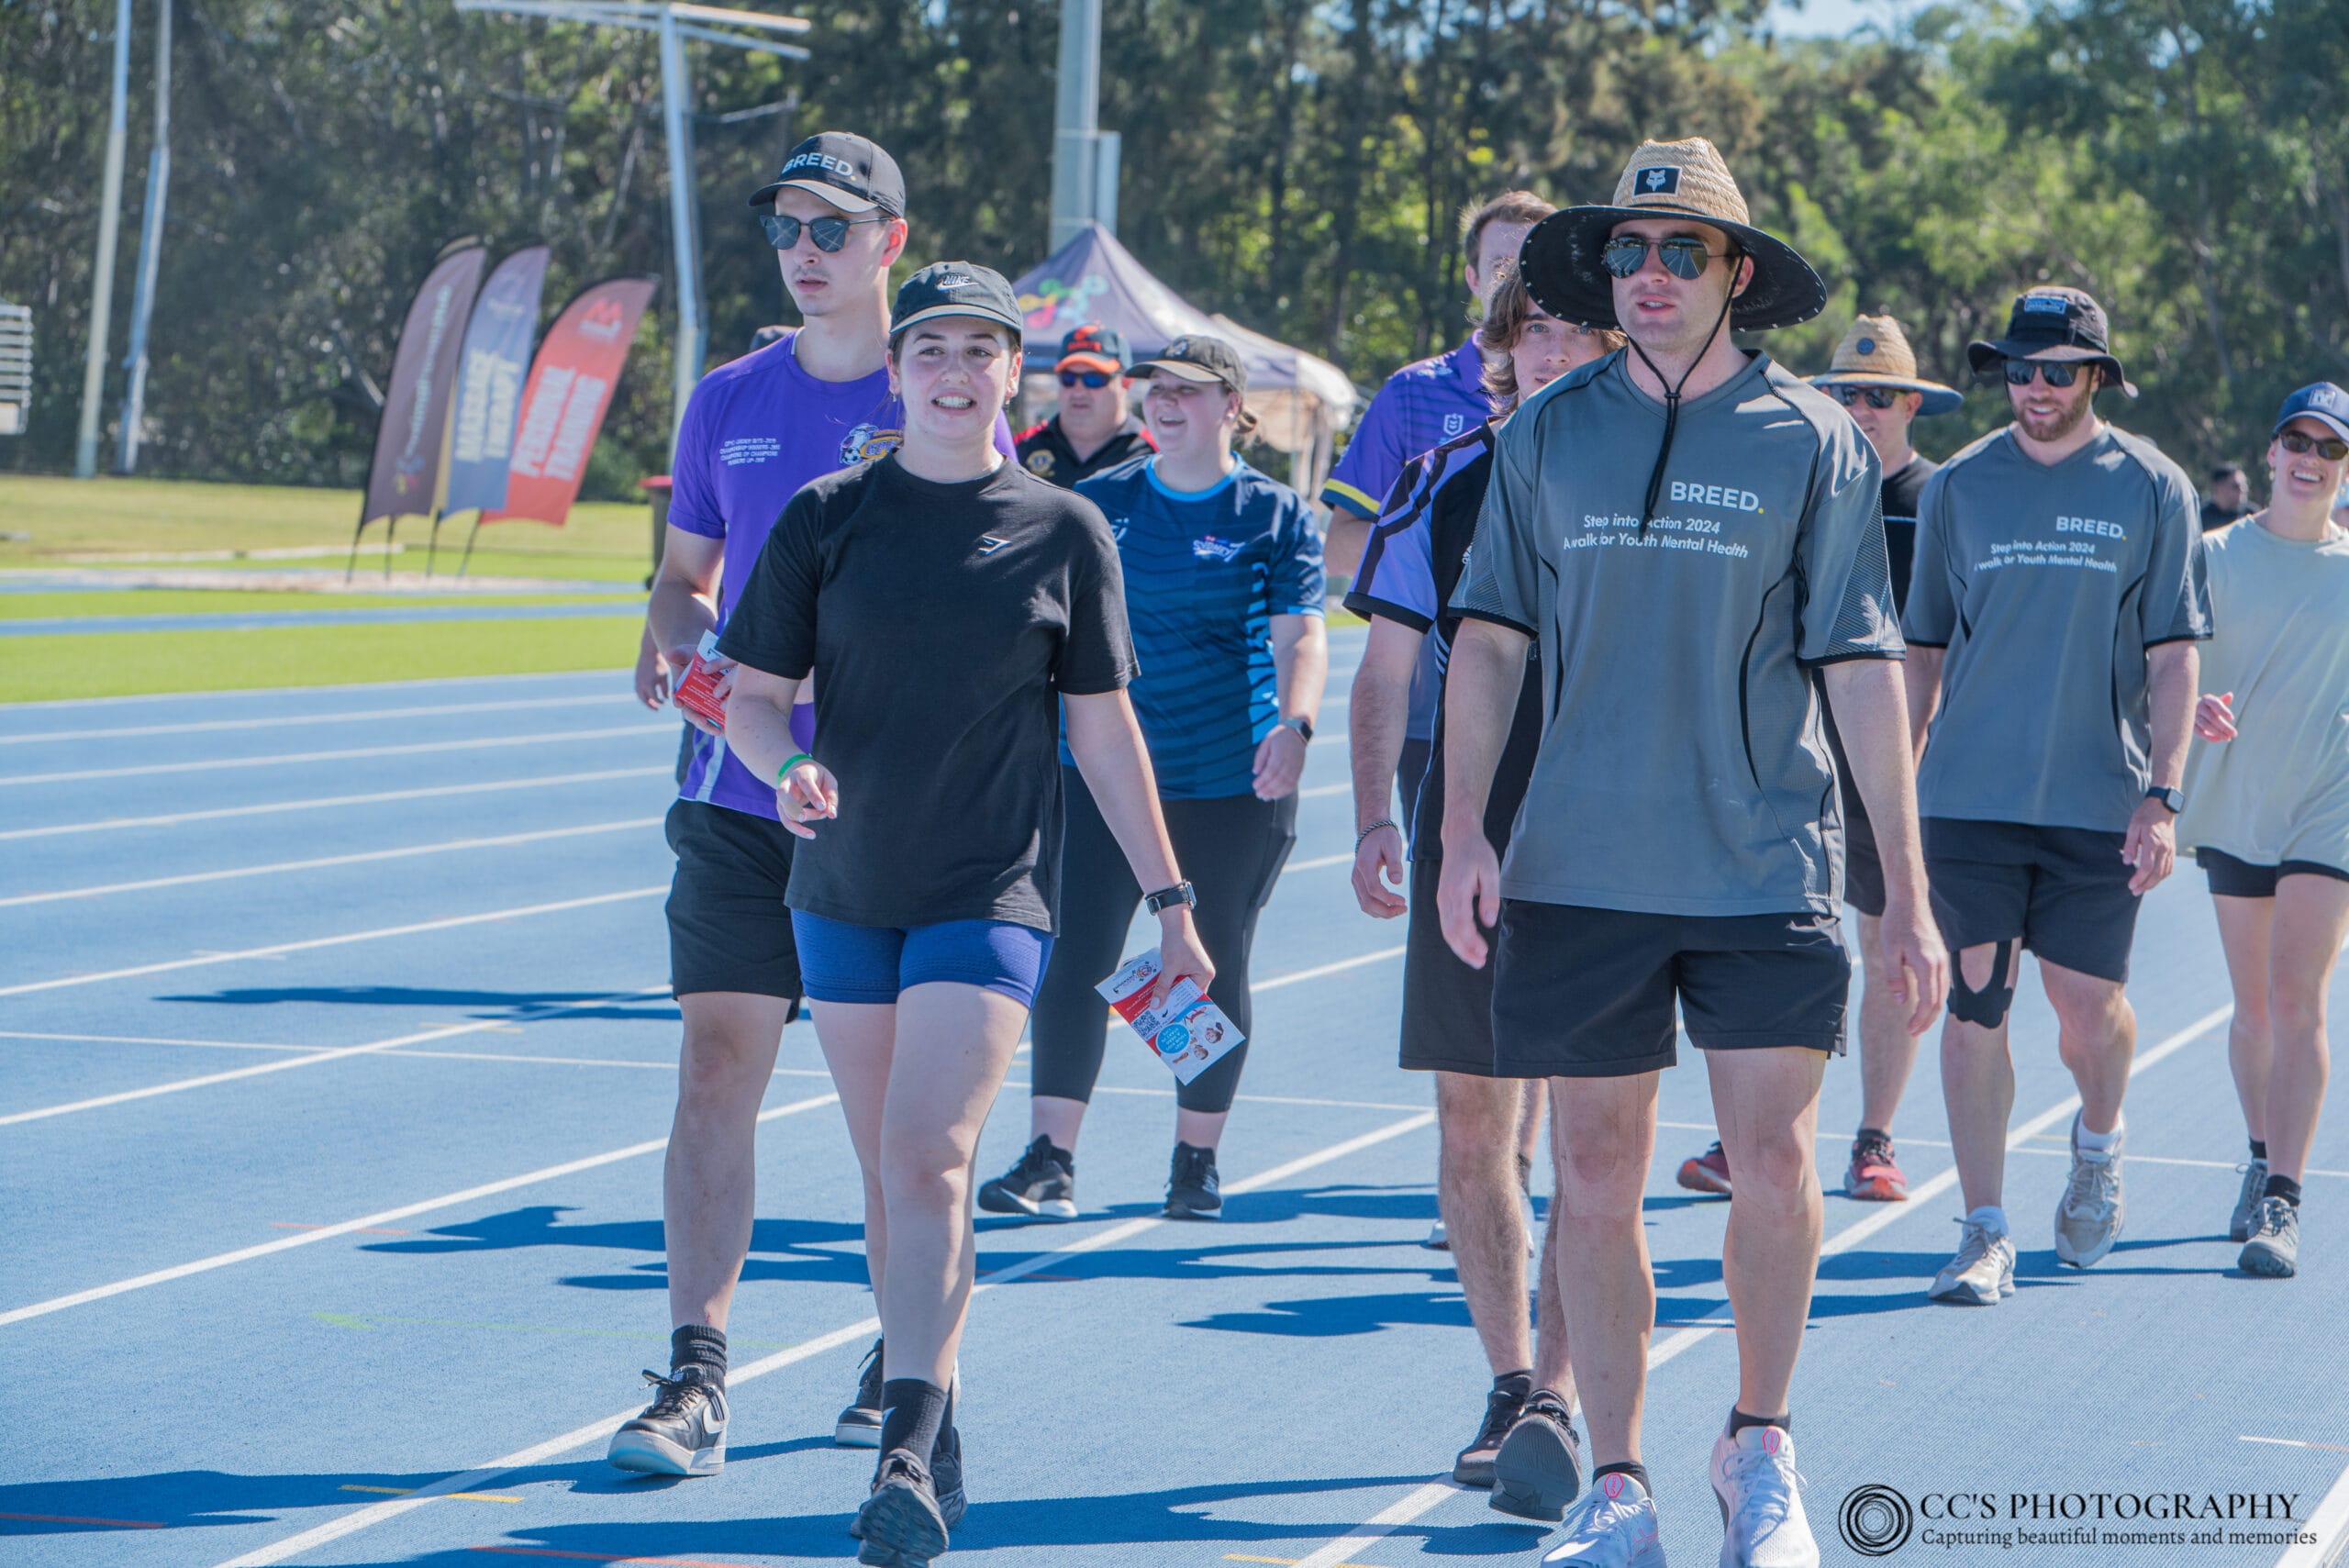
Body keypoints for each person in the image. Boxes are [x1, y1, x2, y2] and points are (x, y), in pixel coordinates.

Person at [1442, 137, 1944, 1568]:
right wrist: (1464, 826)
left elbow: (1860, 665)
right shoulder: (1545, 432)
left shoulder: (1817, 441)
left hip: (1762, 865)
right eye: (1626, 252)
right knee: (1594, 1179)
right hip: (1579, 867)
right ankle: (1617, 1481)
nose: (1647, 275)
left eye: (1680, 252)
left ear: (1734, 272)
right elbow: (1489, 643)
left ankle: (1759, 1446)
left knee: (1776, 1163)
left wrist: (1906, 891)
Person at [716, 261, 1214, 1565]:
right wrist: (785, 767)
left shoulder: (1064, 530)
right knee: (891, 1171)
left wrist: (1171, 901)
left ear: (1011, 375)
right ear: (900, 371)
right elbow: (754, 694)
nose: (952, 372)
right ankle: (939, 1428)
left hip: (989, 889)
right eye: (929, 348)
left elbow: (1104, 733)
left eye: (978, 352)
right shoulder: (827, 518)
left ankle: (900, 1442)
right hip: (843, 889)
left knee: (934, 1153)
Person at [610, 132, 1013, 1481]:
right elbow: (683, 571)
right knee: (715, 1068)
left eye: (833, 228)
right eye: (787, 226)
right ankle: (696, 1372)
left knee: (890, 1119)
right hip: (737, 789)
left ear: (892, 243)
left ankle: (901, 1368)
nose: (803, 250)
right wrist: (668, 631)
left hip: (886, 814)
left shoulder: (949, 395)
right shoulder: (730, 396)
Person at [1345, 265, 1620, 1516]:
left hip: (1623, 838)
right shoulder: (1445, 474)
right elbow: (1386, 666)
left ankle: (1563, 1389)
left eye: (1578, 331)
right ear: (1502, 350)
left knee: (1594, 1132)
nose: (1554, 350)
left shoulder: (1663, 476)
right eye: (1534, 330)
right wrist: (1372, 824)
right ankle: (1515, 1381)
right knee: (1473, 1120)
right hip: (1472, 827)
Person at [1906, 286, 2210, 1307]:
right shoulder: (1955, 488)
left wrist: (2162, 794)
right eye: (2019, 369)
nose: (2033, 388)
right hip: (1967, 798)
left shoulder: (2153, 486)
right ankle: (1982, 1225)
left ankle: (2097, 1142)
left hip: (2099, 797)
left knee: (2086, 1013)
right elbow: (1921, 648)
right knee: (1977, 1000)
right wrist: (1894, 784)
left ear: (2095, 377)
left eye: (2057, 370)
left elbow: (2174, 655)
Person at [978, 334, 1328, 1221]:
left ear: (1230, 407)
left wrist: (1296, 722)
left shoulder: (1274, 512)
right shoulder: (1094, 505)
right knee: (1075, 959)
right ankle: (1052, 1157)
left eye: (1189, 389)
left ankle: (1193, 1162)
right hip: (1097, 776)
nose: (1166, 402)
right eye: (1157, 388)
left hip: (1229, 776)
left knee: (1207, 964)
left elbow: (1301, 635)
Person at [1673, 312, 1960, 1204]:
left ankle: (1873, 1137)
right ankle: (1749, 1132)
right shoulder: (1801, 482)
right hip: (1785, 749)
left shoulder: (1937, 500)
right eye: (1843, 394)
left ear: (1911, 402)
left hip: (1890, 754)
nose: (1861, 409)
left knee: (1882, 945)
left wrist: (1908, 752)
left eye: (1878, 395)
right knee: (1774, 940)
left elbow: (1944, 640)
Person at [2177, 382, 2349, 1279]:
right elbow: (2165, 664)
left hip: (2330, 805)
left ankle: (2282, 1197)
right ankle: (2257, 1150)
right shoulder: (2211, 556)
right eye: (2297, 441)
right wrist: (2188, 702)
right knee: (2252, 1008)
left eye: (2329, 447)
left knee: (2297, 998)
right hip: (2237, 801)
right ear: (2272, 452)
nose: (2310, 459)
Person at [1016, 322, 1154, 487]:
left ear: (1126, 382)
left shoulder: (1153, 453)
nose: (1078, 391)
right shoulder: (1020, 447)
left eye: (1094, 379)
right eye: (1069, 378)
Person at [2201, 462, 2253, 531]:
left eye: (2244, 485)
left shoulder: (2252, 515)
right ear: (2219, 488)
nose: (2242, 490)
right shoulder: (2202, 518)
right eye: (2236, 486)